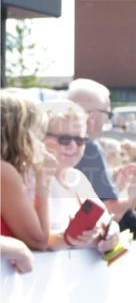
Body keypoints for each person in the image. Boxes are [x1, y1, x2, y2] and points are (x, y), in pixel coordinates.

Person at [67, 78, 136, 241]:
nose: (107, 121)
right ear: (92, 117)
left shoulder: (52, 144)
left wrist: (119, 185)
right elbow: (111, 212)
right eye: (107, 114)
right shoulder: (87, 147)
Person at [41, 101, 121, 252]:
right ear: (42, 138)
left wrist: (111, 232)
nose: (73, 146)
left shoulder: (77, 178)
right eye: (64, 139)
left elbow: (107, 221)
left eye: (80, 140)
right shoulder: (32, 180)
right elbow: (32, 240)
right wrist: (68, 237)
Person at [0, 91, 52, 250]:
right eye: (38, 131)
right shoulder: (4, 172)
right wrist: (43, 176)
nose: (41, 140)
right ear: (20, 132)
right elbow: (39, 240)